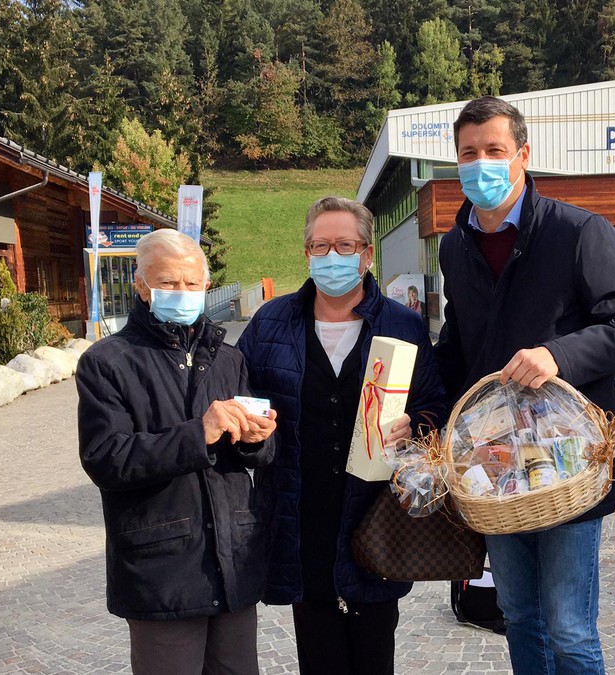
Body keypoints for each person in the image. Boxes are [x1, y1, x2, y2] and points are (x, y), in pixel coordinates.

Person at [435, 96, 615, 675]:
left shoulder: (579, 230)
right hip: (495, 465)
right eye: (469, 153)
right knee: (516, 613)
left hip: (569, 458)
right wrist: (429, 420)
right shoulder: (453, 246)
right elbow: (458, 348)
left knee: (570, 627)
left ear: (523, 154)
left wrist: (557, 355)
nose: (481, 163)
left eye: (494, 150)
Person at [236, 196, 447, 675]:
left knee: (374, 649)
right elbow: (241, 400)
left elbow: (436, 405)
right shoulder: (271, 323)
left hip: (374, 516)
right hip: (300, 512)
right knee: (318, 650)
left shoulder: (403, 324)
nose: (333, 257)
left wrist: (414, 424)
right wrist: (252, 432)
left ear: (367, 253)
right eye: (321, 245)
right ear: (306, 253)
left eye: (344, 245)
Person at [76, 228, 277, 675]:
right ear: (142, 286)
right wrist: (198, 433)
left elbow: (261, 457)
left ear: (207, 286)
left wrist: (257, 440)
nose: (182, 292)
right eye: (168, 282)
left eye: (191, 283)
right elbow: (106, 458)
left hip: (232, 561)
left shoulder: (228, 359)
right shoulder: (108, 362)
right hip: (161, 565)